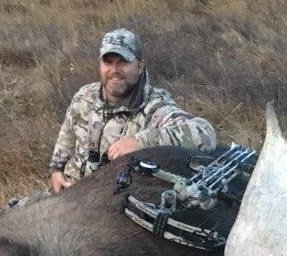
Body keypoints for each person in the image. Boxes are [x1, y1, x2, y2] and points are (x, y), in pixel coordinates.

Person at [48, 28, 217, 193]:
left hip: (110, 202)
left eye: (123, 62)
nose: (115, 70)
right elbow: (67, 134)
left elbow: (205, 133)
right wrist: (56, 169)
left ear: (140, 66)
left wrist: (141, 142)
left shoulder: (155, 107)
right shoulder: (85, 96)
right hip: (69, 192)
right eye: (108, 62)